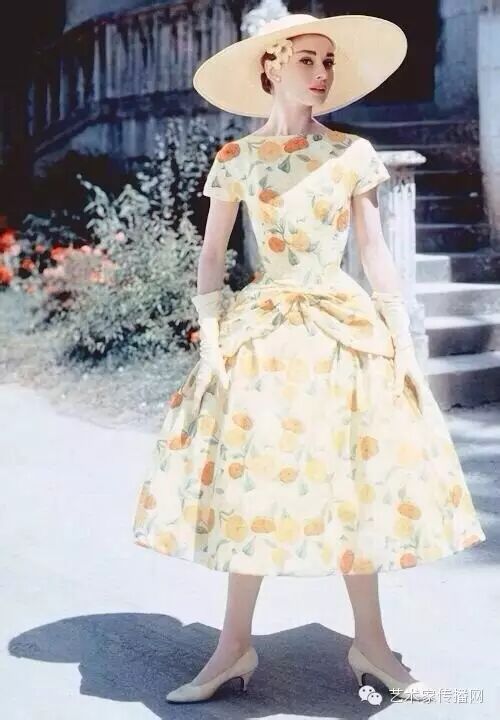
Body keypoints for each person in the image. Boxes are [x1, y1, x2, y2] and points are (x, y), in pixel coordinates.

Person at [132, 12, 486, 704]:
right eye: (307, 60)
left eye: (328, 62)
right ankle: (233, 647)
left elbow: (374, 248)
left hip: (340, 323)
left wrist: (399, 334)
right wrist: (211, 336)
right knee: (253, 477)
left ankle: (371, 645)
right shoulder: (237, 158)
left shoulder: (351, 153)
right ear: (271, 66)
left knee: (355, 474)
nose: (322, 74)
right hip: (265, 328)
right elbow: (212, 254)